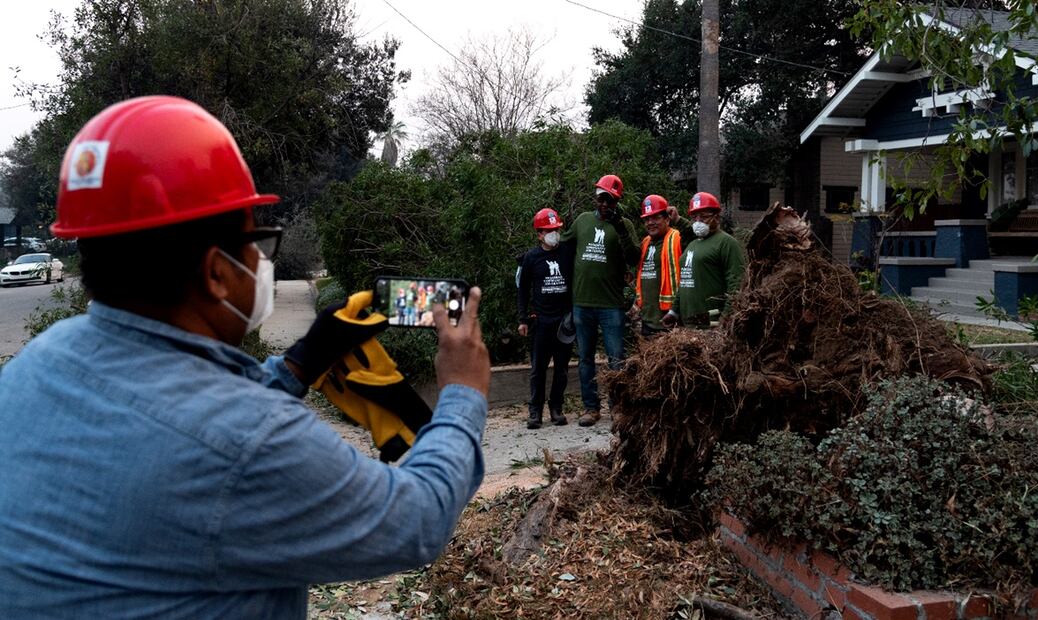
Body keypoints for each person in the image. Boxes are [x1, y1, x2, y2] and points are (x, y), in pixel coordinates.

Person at [0, 96, 491, 618]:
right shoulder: (249, 439)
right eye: (256, 242)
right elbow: (416, 521)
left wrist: (300, 363)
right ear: (216, 272)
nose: (261, 261)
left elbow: (176, 420)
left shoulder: (35, 365)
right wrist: (463, 390)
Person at [560, 174, 640, 427]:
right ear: (595, 198)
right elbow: (562, 244)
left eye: (609, 200)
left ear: (617, 201)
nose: (604, 203)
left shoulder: (624, 224)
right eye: (601, 198)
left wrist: (619, 228)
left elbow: (635, 256)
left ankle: (618, 408)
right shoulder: (583, 220)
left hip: (611, 305)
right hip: (582, 303)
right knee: (585, 358)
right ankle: (590, 408)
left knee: (616, 357)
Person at [517, 208, 574, 429]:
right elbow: (522, 290)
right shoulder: (531, 258)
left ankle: (556, 408)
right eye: (548, 231)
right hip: (541, 322)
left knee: (561, 368)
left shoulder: (567, 252)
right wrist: (523, 319)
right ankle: (535, 411)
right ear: (539, 234)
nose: (553, 234)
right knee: (537, 368)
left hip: (564, 321)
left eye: (556, 229)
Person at [663, 192, 746, 329]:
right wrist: (673, 311)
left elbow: (736, 285)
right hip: (687, 324)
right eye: (695, 217)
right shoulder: (692, 244)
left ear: (717, 217)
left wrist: (725, 319)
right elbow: (684, 282)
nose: (698, 222)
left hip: (711, 324)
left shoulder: (727, 243)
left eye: (704, 217)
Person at [629, 194, 683, 337]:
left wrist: (680, 220)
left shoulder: (677, 238)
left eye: (656, 217)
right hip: (647, 320)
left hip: (670, 319)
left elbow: (694, 239)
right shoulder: (645, 242)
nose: (650, 222)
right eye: (647, 219)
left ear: (667, 219)